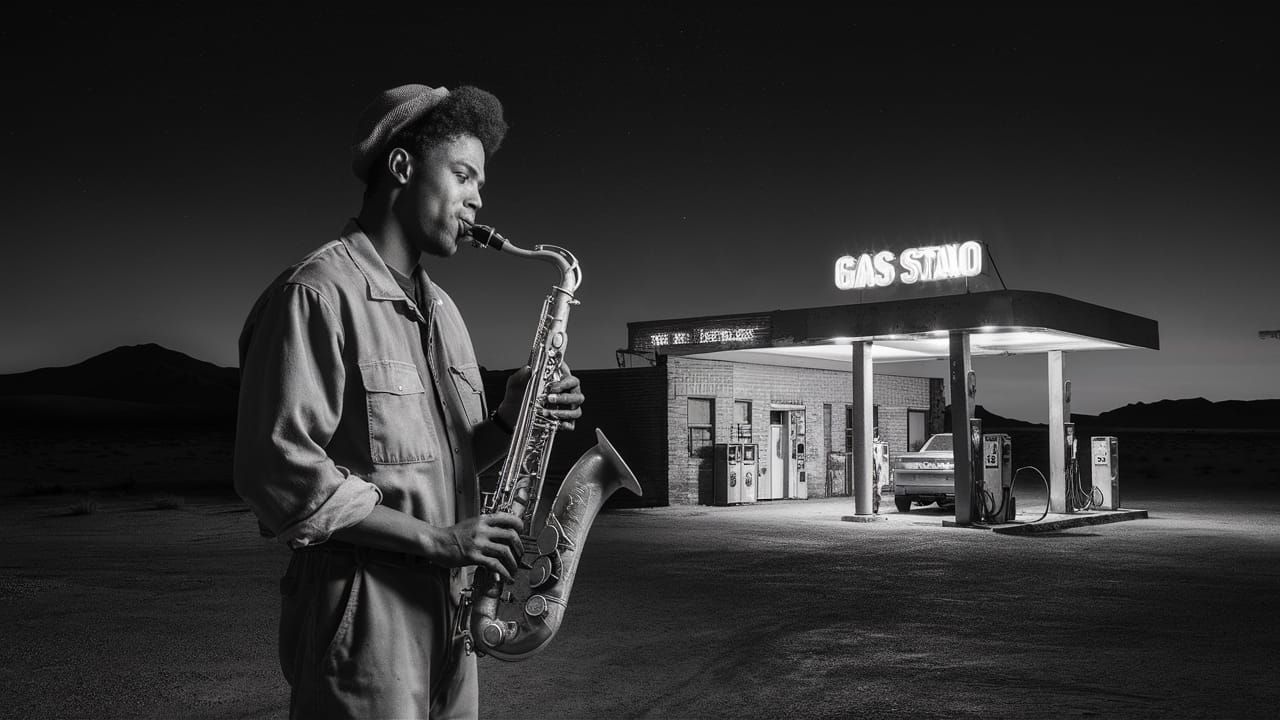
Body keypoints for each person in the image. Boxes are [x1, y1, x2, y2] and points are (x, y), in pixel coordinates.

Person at [233, 83, 585, 719]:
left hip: (450, 620)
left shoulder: (444, 311)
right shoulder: (314, 294)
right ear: (401, 167)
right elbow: (276, 473)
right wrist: (441, 543)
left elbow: (431, 464)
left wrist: (512, 419)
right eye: (463, 174)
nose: (478, 198)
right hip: (363, 619)